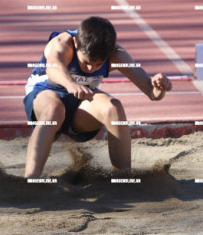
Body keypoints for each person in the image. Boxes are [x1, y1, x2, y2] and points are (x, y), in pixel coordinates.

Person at [23, 16, 172, 178]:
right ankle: (31, 179)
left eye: (98, 65)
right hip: (44, 95)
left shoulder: (116, 55)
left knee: (113, 107)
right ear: (76, 43)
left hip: (79, 105)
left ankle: (123, 178)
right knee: (54, 109)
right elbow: (54, 67)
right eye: (86, 61)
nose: (90, 68)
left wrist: (159, 87)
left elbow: (151, 92)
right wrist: (70, 84)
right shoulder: (61, 43)